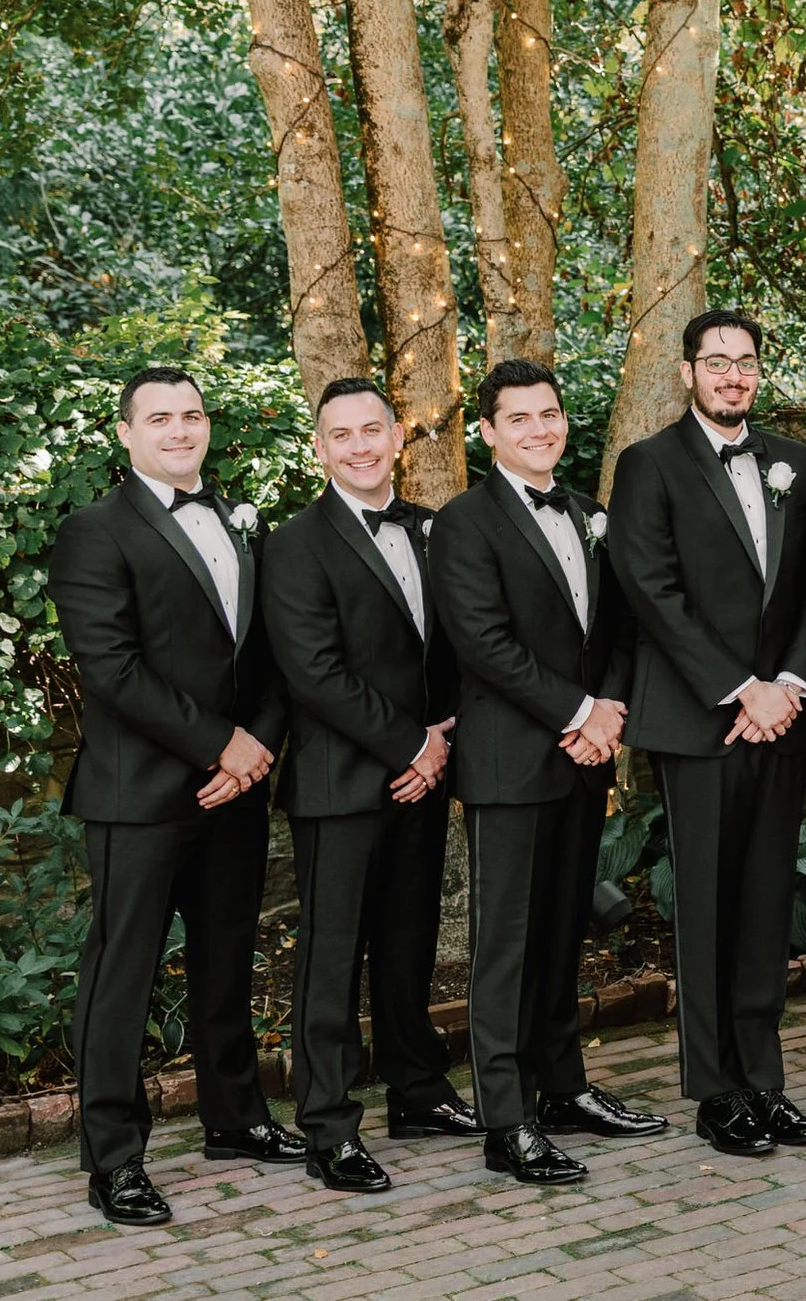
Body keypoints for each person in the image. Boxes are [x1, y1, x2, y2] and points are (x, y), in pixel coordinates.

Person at [46, 366, 301, 1226]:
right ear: (126, 434)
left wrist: (256, 746)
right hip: (140, 794)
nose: (180, 429)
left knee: (227, 962)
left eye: (192, 414)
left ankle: (235, 1118)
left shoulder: (242, 522)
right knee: (123, 974)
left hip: (236, 789)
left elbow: (267, 655)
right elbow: (112, 669)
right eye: (160, 417)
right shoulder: (94, 531)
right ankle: (113, 1157)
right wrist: (217, 741)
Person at [430, 359, 660, 1185]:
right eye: (519, 418)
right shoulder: (463, 523)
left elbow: (624, 631)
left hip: (583, 760)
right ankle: (506, 1118)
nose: (539, 429)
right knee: (506, 947)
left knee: (562, 933)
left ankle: (563, 1087)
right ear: (488, 432)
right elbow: (483, 642)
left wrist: (612, 714)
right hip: (512, 761)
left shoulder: (592, 514)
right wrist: (579, 714)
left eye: (549, 414)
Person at [610, 311, 806, 1159]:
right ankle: (715, 1090)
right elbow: (650, 588)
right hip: (703, 720)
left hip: (781, 719)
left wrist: (787, 688)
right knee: (706, 907)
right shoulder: (648, 465)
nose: (732, 376)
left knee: (766, 905)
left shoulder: (796, 463)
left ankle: (764, 1081)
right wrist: (739, 688)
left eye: (745, 363)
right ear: (687, 371)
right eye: (717, 362)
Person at [261, 378, 478, 1194]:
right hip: (341, 780)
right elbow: (313, 672)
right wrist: (410, 743)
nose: (357, 445)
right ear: (320, 448)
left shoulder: (434, 530)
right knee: (330, 956)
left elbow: (458, 646)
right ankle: (327, 1122)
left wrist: (442, 741)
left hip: (423, 777)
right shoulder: (294, 544)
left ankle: (418, 1090)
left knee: (407, 942)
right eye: (339, 434)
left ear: (397, 438)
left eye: (371, 430)